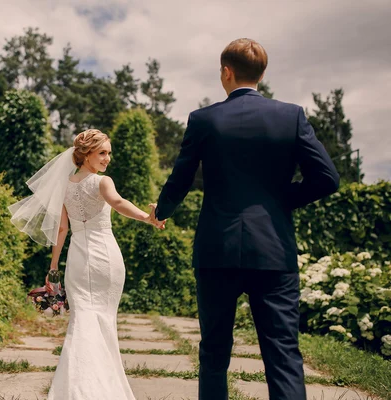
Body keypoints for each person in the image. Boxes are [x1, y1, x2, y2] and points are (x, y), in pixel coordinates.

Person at [151, 38, 340, 400]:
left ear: (226, 71)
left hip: (216, 250)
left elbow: (181, 178)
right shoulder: (291, 116)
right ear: (263, 75)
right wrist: (280, 200)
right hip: (274, 250)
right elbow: (327, 179)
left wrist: (161, 212)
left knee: (214, 352)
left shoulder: (203, 120)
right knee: (283, 353)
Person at [10, 129, 160, 399]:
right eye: (102, 153)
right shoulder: (102, 183)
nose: (107, 159)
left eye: (109, 153)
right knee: (101, 320)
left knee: (82, 321)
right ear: (86, 154)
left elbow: (62, 229)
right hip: (105, 257)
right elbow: (118, 202)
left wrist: (54, 267)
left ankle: (75, 390)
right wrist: (147, 218)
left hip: (78, 261)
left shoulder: (64, 185)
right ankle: (102, 389)